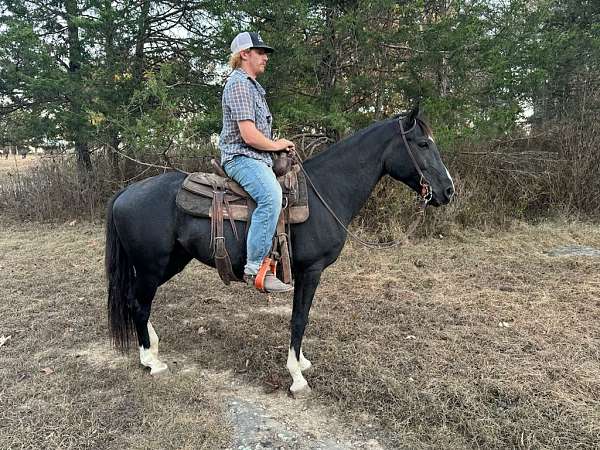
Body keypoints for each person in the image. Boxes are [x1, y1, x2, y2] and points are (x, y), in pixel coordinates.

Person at [219, 31, 295, 294]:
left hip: (256, 157)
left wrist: (276, 147)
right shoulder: (239, 84)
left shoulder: (253, 87)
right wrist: (276, 145)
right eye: (260, 52)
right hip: (241, 157)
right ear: (244, 54)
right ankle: (255, 269)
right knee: (271, 196)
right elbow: (248, 135)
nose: (265, 58)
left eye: (265, 53)